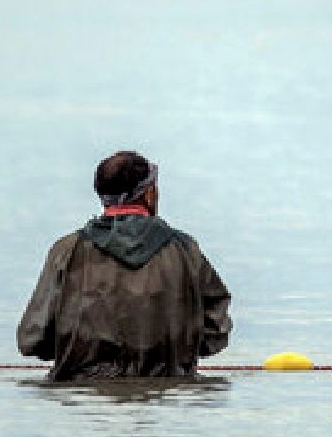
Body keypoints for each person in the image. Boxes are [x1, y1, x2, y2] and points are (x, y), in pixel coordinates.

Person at [18, 151, 232, 381]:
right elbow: (216, 332)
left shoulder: (66, 250)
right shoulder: (186, 250)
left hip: (82, 399)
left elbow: (32, 340)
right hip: (167, 396)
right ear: (149, 194)